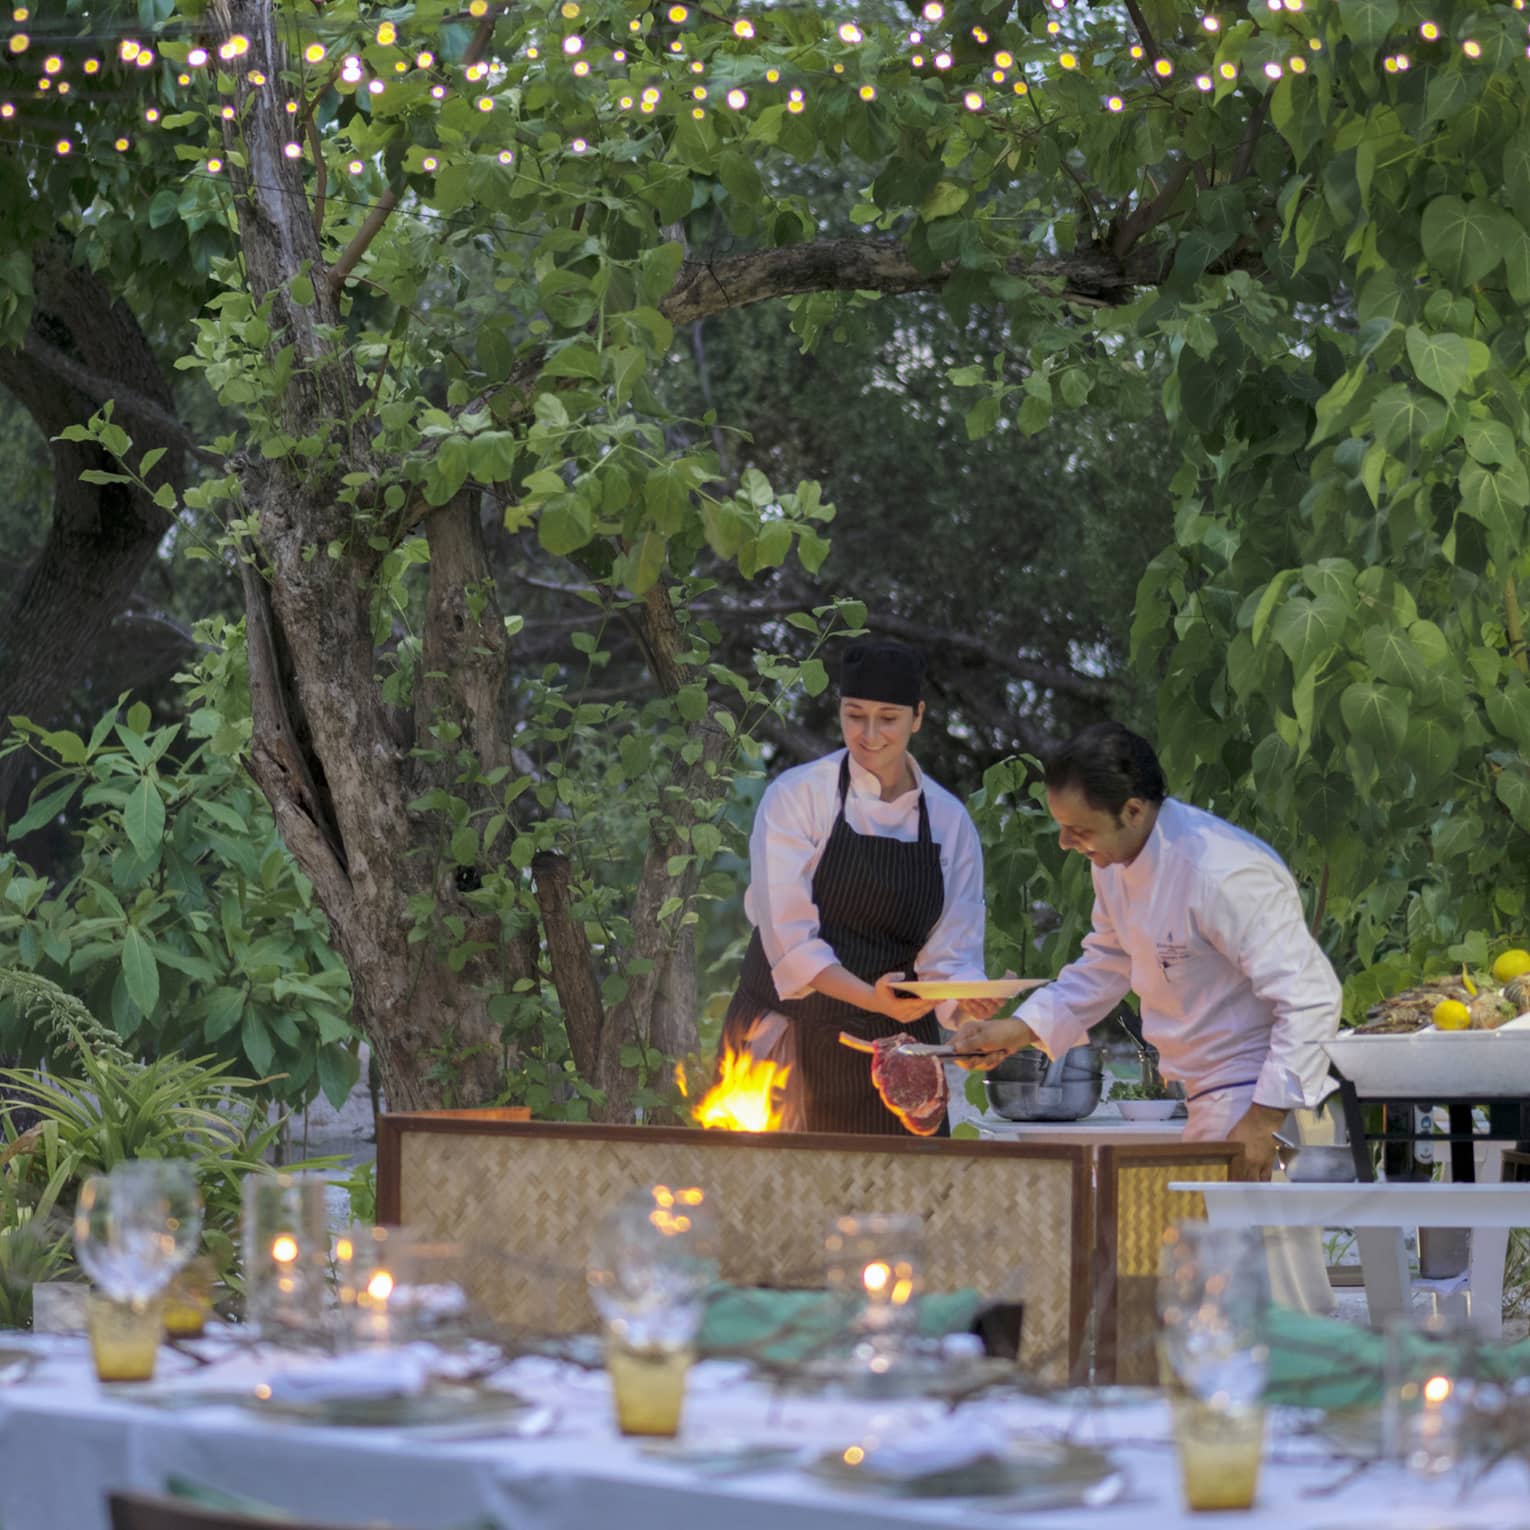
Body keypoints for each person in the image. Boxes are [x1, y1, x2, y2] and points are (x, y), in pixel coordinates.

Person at [953, 721, 1342, 1181]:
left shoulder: (1220, 871)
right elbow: (1105, 964)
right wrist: (1016, 1031)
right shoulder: (1115, 864)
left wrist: (1262, 1121)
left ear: (1133, 811)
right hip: (1211, 1096)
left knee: (1239, 1252)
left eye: (1078, 830)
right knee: (1199, 1249)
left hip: (1263, 1096)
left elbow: (1312, 997)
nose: (1064, 843)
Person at [719, 637, 1000, 1134]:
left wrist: (967, 1006)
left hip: (899, 1055)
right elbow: (789, 943)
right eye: (855, 715)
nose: (869, 734)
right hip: (790, 1043)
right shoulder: (797, 797)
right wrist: (871, 998)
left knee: (901, 1202)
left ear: (917, 716)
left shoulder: (949, 821)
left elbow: (951, 955)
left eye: (888, 718)